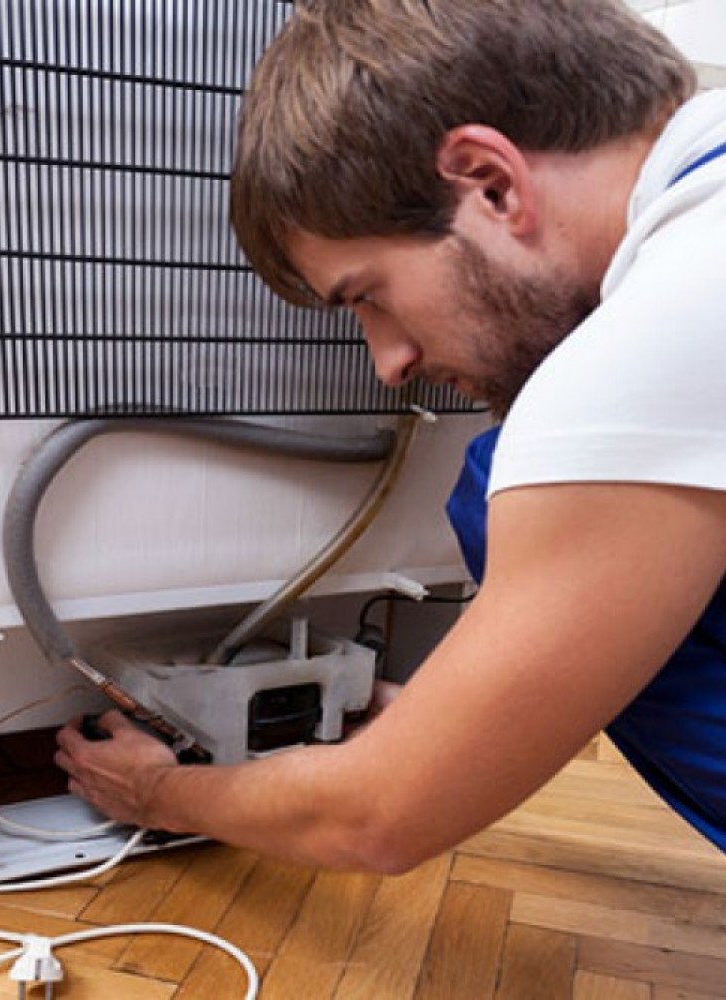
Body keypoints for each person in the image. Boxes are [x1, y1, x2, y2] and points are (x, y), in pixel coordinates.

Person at [55, 0, 726, 873]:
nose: (390, 363)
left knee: (508, 475)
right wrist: (472, 721)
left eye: (368, 295)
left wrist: (156, 792)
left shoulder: (660, 327)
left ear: (490, 182)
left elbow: (374, 820)